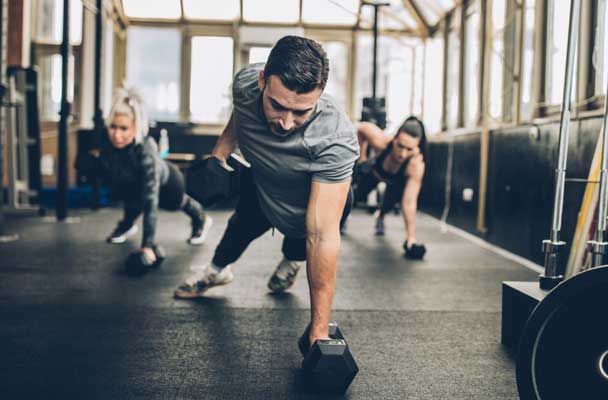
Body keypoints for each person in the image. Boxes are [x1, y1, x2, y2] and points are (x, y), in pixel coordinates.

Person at [174, 36, 359, 349]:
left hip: (311, 197)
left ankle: (290, 262)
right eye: (277, 106)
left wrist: (319, 331)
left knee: (306, 235)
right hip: (264, 183)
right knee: (241, 225)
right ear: (262, 81)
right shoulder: (246, 83)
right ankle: (216, 271)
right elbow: (242, 114)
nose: (286, 123)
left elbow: (323, 237)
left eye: (300, 112)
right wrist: (221, 154)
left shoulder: (334, 139)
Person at [100, 87, 212, 264]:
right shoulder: (110, 146)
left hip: (170, 183)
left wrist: (148, 245)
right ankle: (127, 225)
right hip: (137, 183)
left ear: (135, 128)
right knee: (131, 191)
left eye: (123, 128)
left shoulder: (146, 151)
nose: (117, 134)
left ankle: (201, 218)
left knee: (176, 202)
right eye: (113, 127)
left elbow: (150, 201)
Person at [352, 116, 427, 259]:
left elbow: (409, 202)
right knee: (354, 197)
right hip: (374, 173)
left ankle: (380, 217)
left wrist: (411, 238)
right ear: (395, 138)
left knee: (388, 204)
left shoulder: (416, 165)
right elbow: (360, 128)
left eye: (409, 149)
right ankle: (341, 221)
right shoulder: (381, 141)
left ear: (417, 147)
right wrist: (361, 158)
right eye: (400, 146)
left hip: (395, 182)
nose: (402, 154)